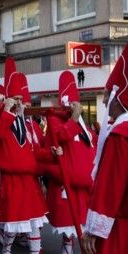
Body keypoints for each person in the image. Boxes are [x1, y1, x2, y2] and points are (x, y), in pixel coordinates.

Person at [0, 58, 48, 254]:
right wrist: (6, 110)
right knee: (13, 221)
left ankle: (36, 252)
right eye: (15, 99)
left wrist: (52, 155)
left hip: (27, 178)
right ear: (6, 99)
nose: (19, 103)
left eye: (20, 99)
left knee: (34, 221)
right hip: (8, 177)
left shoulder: (27, 122)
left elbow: (33, 150)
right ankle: (6, 251)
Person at [81, 44, 128, 254]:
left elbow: (111, 186)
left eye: (108, 94)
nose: (106, 100)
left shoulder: (121, 134)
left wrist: (93, 229)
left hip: (119, 229)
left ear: (120, 98)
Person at [45, 71, 97, 254]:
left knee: (83, 229)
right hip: (67, 186)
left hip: (85, 186)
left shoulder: (85, 126)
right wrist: (74, 117)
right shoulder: (54, 119)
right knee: (69, 230)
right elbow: (61, 136)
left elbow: (93, 145)